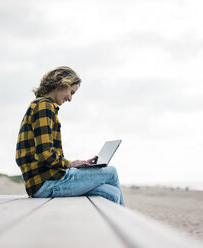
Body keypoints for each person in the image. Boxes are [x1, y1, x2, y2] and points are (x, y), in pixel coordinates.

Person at [15, 66, 124, 206]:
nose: (70, 99)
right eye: (71, 92)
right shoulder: (44, 106)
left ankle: (113, 225)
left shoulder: (40, 105)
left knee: (111, 193)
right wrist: (71, 164)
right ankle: (128, 227)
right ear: (62, 83)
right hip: (46, 183)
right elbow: (45, 154)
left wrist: (77, 164)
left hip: (43, 183)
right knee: (111, 172)